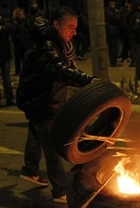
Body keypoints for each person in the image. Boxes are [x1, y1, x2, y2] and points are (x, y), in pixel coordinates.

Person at [16, 6, 99, 203]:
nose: (75, 32)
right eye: (70, 26)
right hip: (42, 101)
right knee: (53, 146)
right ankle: (60, 191)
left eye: (76, 27)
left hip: (40, 99)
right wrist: (89, 81)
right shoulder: (48, 46)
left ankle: (29, 169)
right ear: (56, 25)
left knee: (36, 132)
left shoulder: (58, 42)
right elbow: (60, 70)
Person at [0, 13, 15, 106]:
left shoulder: (5, 27)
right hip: (3, 55)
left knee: (7, 79)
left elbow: (11, 30)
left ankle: (9, 98)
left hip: (5, 56)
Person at [11, 7, 31, 75]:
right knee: (18, 58)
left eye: (22, 14)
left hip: (25, 44)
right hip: (19, 44)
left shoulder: (26, 23)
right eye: (20, 14)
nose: (21, 16)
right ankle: (18, 71)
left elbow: (28, 31)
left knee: (25, 58)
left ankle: (25, 71)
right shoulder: (15, 24)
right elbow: (15, 34)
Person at [105, 0, 122, 67]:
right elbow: (116, 19)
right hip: (112, 32)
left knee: (114, 47)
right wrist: (117, 13)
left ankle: (114, 61)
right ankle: (113, 62)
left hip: (114, 31)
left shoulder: (111, 11)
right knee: (113, 48)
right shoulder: (109, 11)